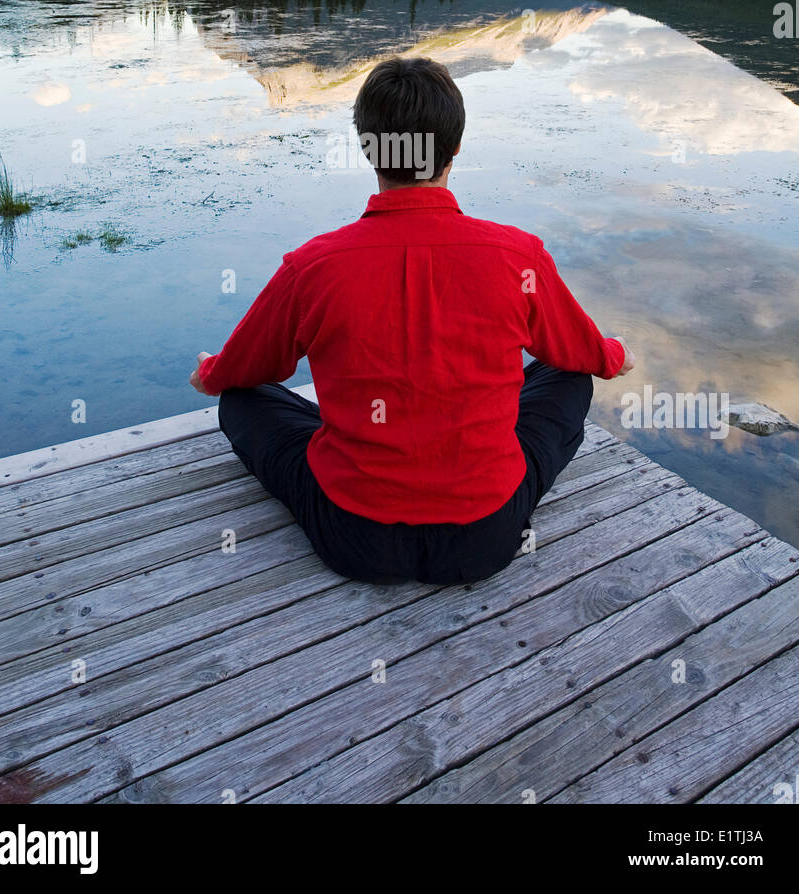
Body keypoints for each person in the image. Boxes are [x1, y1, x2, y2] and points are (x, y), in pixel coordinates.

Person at [190, 56, 634, 586]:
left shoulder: (313, 266)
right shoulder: (519, 257)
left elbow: (240, 371)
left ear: (368, 150)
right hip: (485, 538)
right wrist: (615, 355)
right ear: (456, 149)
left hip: (356, 538)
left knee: (243, 400)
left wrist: (211, 373)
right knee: (567, 374)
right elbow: (584, 355)